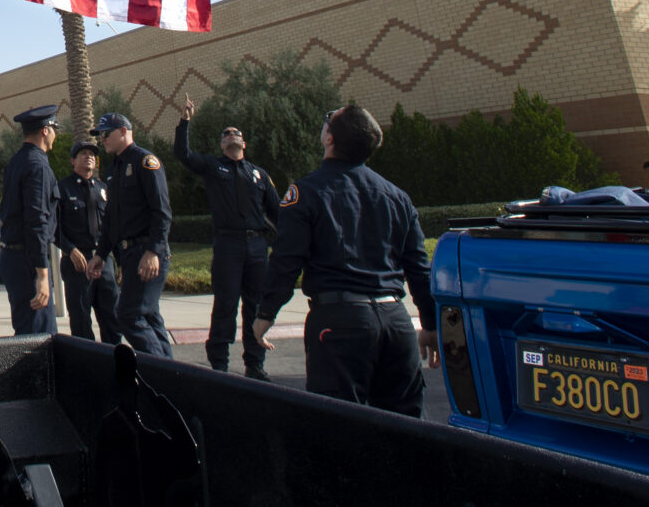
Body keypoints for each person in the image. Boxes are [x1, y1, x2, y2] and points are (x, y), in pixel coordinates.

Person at [252, 104, 439, 416]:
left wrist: (265, 313)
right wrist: (430, 323)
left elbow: (286, 259)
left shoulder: (306, 192)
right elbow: (419, 267)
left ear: (330, 138)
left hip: (340, 324)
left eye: (329, 120)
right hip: (396, 322)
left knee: (339, 431)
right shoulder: (396, 196)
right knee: (406, 432)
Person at [173, 97, 278, 377]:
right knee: (226, 304)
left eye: (236, 134)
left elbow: (277, 212)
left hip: (257, 245)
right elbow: (183, 154)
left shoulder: (258, 174)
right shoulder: (212, 167)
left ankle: (255, 364)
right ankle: (219, 364)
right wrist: (185, 122)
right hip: (228, 244)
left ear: (244, 144)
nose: (232, 136)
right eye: (226, 134)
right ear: (222, 145)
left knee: (255, 305)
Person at [87, 112, 173, 358]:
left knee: (129, 314)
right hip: (129, 253)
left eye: (106, 134)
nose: (102, 140)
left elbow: (162, 211)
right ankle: (174, 375)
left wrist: (154, 251)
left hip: (146, 250)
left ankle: (161, 372)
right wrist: (101, 254)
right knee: (148, 315)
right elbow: (112, 218)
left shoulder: (145, 161)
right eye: (100, 135)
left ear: (124, 131)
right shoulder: (115, 168)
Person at [0, 105, 60, 335]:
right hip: (28, 260)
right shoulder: (38, 166)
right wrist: (42, 273)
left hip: (14, 256)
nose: (55, 134)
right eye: (54, 128)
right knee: (39, 337)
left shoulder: (17, 162)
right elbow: (36, 220)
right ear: (45, 131)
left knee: (27, 329)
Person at [53, 140, 119, 344]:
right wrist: (70, 250)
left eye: (92, 154)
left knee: (112, 319)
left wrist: (119, 260)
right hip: (77, 263)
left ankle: (114, 365)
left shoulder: (103, 188)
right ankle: (88, 367)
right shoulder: (62, 188)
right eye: (83, 153)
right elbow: (54, 227)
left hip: (103, 261)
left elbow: (114, 226)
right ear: (73, 160)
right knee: (81, 321)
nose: (89, 156)